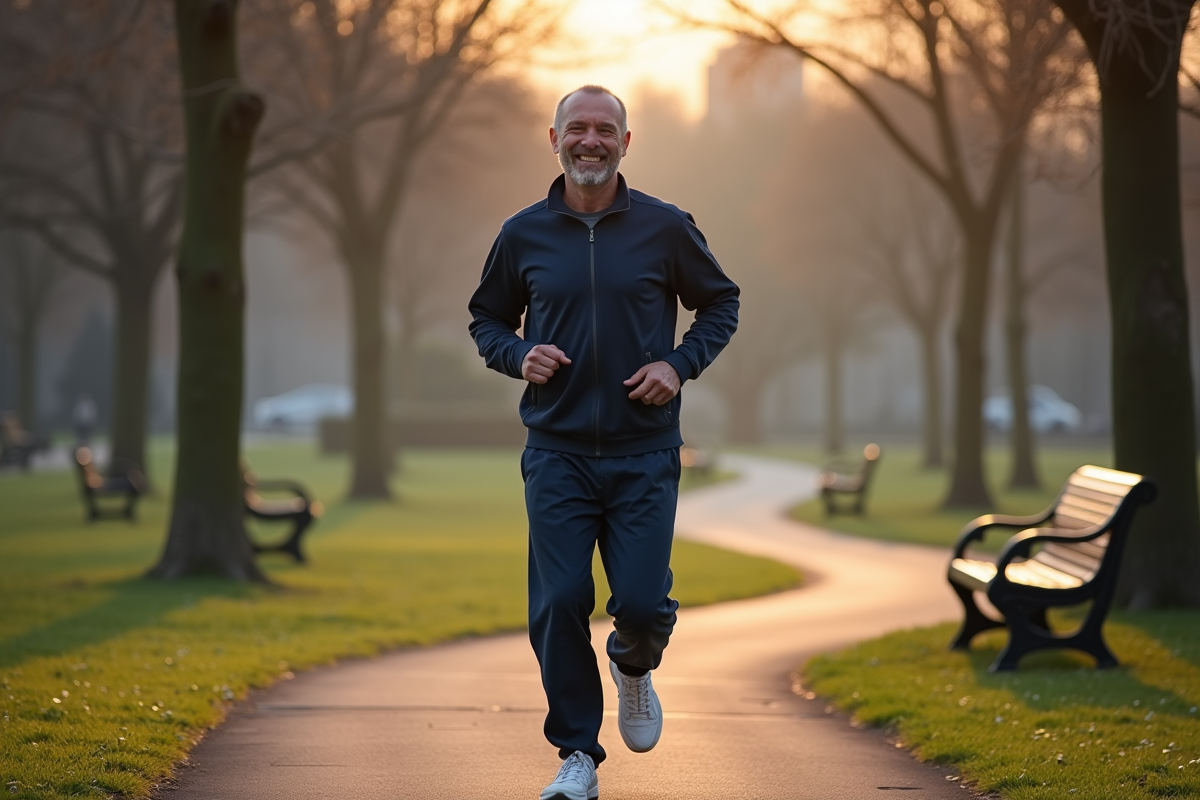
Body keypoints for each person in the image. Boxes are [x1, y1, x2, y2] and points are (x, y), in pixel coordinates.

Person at [468, 85, 739, 800]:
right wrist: (515, 354)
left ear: (627, 141)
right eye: (577, 128)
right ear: (552, 137)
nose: (591, 140)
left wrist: (677, 366)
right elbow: (486, 320)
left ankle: (634, 664)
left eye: (605, 129)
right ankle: (578, 755)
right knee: (560, 600)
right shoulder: (522, 232)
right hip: (555, 452)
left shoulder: (665, 227)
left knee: (644, 605)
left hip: (644, 453)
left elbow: (721, 301)